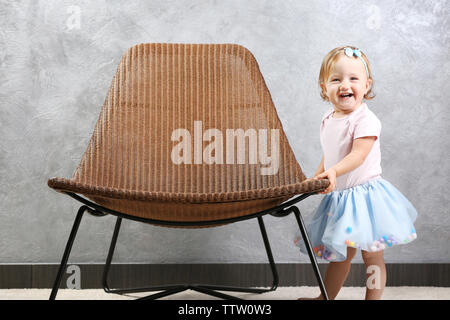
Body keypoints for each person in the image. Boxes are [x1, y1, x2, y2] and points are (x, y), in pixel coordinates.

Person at [294, 46, 418, 300]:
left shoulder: (366, 120)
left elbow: (357, 156)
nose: (345, 85)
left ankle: (372, 299)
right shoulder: (329, 118)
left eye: (353, 79)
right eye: (336, 79)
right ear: (323, 86)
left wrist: (333, 172)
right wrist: (317, 177)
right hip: (341, 200)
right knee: (340, 256)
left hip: (366, 199)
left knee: (372, 254)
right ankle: (325, 297)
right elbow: (330, 154)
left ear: (366, 84)